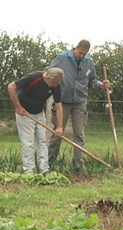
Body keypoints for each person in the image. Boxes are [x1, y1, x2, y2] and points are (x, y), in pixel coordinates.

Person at [46, 39, 110, 174]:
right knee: (57, 134)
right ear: (75, 48)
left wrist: (100, 85)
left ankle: (78, 169)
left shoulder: (89, 62)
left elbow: (92, 80)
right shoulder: (62, 58)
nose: (81, 56)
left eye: (84, 54)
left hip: (80, 101)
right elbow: (48, 72)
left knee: (79, 135)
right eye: (80, 53)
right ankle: (47, 166)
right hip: (61, 101)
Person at [8, 67, 65, 175]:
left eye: (57, 83)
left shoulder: (56, 86)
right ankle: (29, 171)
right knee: (28, 143)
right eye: (54, 83)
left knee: (42, 142)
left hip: (39, 113)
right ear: (48, 78)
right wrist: (18, 106)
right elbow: (11, 87)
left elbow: (59, 107)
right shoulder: (33, 78)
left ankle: (44, 169)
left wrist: (59, 126)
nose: (55, 86)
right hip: (24, 113)